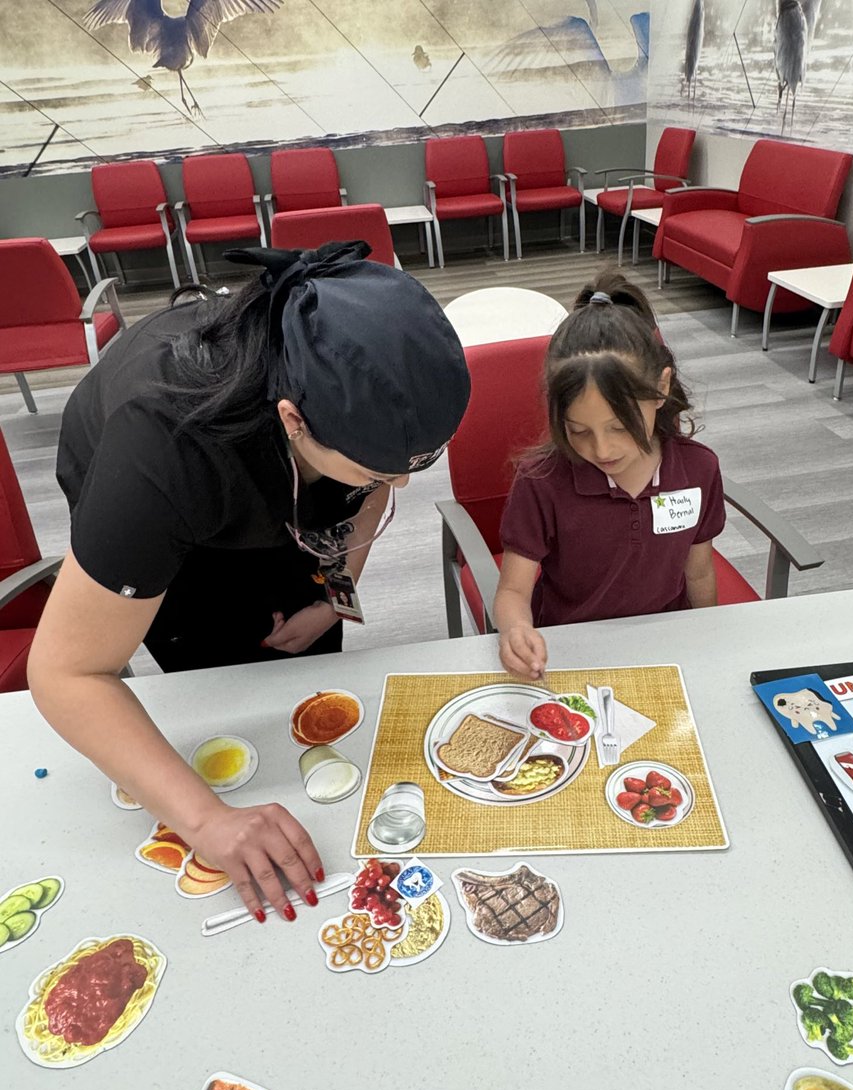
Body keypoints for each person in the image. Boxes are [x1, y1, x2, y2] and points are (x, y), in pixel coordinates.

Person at [28, 242, 470, 923]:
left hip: (280, 467)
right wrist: (206, 822)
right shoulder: (161, 450)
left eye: (411, 465)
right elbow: (67, 673)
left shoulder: (362, 392)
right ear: (294, 419)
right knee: (215, 683)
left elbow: (367, 496)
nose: (402, 486)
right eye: (378, 468)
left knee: (301, 673)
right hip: (167, 508)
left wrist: (332, 595)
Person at [494, 271, 725, 679]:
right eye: (578, 430)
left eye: (620, 427)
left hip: (664, 647)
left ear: (661, 388)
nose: (600, 450)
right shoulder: (541, 480)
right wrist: (515, 629)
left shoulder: (697, 468)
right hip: (570, 651)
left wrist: (707, 643)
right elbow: (514, 590)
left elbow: (700, 571)